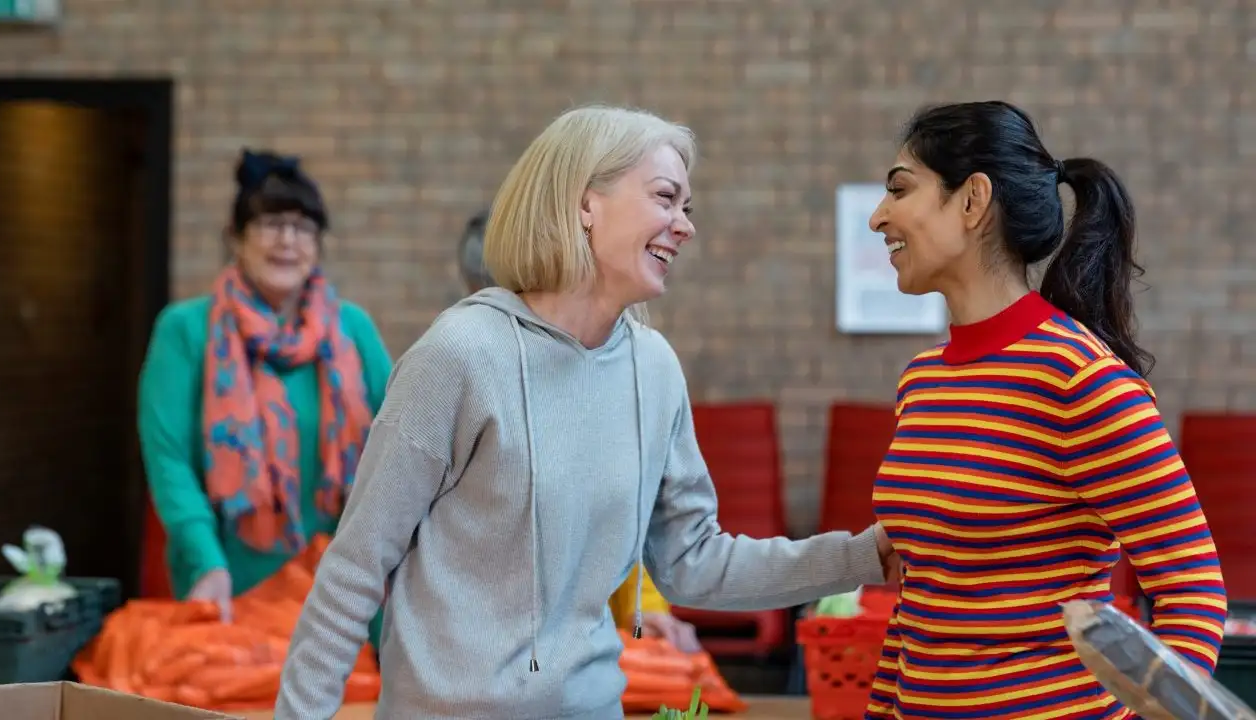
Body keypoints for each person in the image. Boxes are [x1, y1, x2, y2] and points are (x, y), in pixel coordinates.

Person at [276, 105, 896, 719]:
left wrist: (865, 554)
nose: (684, 225)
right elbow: (355, 568)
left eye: (687, 207)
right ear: (584, 204)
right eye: (665, 197)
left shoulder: (654, 370)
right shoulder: (459, 355)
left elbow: (693, 561)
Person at [864, 101, 1226, 719]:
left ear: (973, 200)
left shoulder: (1079, 380)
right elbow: (921, 600)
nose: (879, 218)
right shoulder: (922, 381)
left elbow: (1193, 593)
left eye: (900, 189)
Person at [137, 149, 394, 643]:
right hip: (229, 584)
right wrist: (204, 562)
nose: (287, 241)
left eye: (303, 227)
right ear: (236, 237)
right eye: (270, 223)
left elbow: (399, 445)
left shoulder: (352, 329)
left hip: (343, 591)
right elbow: (168, 459)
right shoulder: (186, 330)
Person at [458, 208, 701, 653]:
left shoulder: (618, 372)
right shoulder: (461, 371)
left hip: (585, 648)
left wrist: (648, 611)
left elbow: (627, 513)